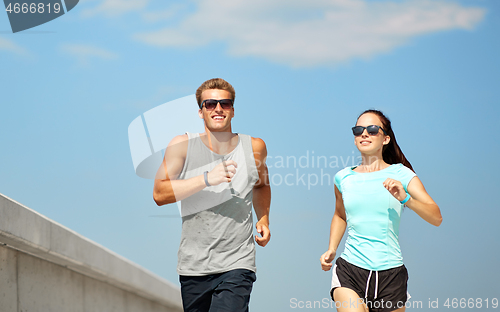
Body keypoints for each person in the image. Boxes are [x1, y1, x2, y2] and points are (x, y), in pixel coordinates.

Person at [153, 78, 271, 312]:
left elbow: (261, 185)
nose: (218, 109)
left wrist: (264, 218)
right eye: (210, 104)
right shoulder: (182, 145)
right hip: (193, 266)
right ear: (201, 111)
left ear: (233, 110)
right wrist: (206, 178)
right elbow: (159, 193)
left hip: (238, 262)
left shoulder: (255, 147)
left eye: (224, 104)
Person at [320, 109, 442, 312]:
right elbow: (340, 215)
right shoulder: (342, 177)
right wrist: (332, 248)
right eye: (358, 130)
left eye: (372, 129)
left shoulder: (402, 174)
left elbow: (436, 216)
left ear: (386, 139)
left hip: (391, 276)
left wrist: (405, 198)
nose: (364, 134)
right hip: (350, 269)